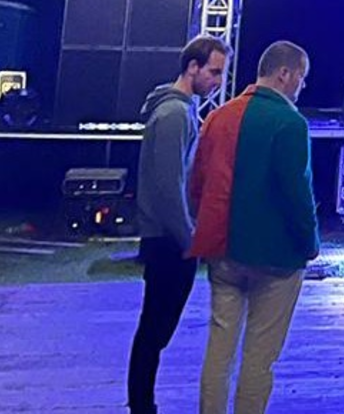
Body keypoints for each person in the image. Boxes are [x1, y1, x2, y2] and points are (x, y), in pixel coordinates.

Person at [187, 41, 319, 414]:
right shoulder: (290, 123)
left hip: (223, 253)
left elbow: (196, 185)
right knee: (259, 359)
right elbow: (297, 195)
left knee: (219, 349)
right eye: (301, 78)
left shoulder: (217, 117)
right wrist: (310, 244)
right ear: (285, 74)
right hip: (276, 260)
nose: (302, 86)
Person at [127, 35, 228, 414]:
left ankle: (142, 404)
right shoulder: (174, 115)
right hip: (169, 240)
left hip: (168, 236)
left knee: (154, 331)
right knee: (154, 331)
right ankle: (142, 406)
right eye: (213, 72)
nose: (217, 81)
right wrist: (190, 240)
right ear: (192, 67)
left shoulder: (179, 110)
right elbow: (169, 188)